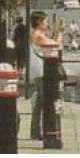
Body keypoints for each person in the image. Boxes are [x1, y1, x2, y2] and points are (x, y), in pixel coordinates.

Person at [27, 10, 61, 141]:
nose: (47, 24)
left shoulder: (39, 34)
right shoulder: (37, 35)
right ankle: (43, 131)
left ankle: (36, 131)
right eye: (45, 21)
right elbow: (56, 45)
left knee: (40, 102)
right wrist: (61, 33)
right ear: (38, 22)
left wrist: (58, 31)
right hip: (41, 70)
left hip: (42, 70)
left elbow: (52, 42)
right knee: (43, 101)